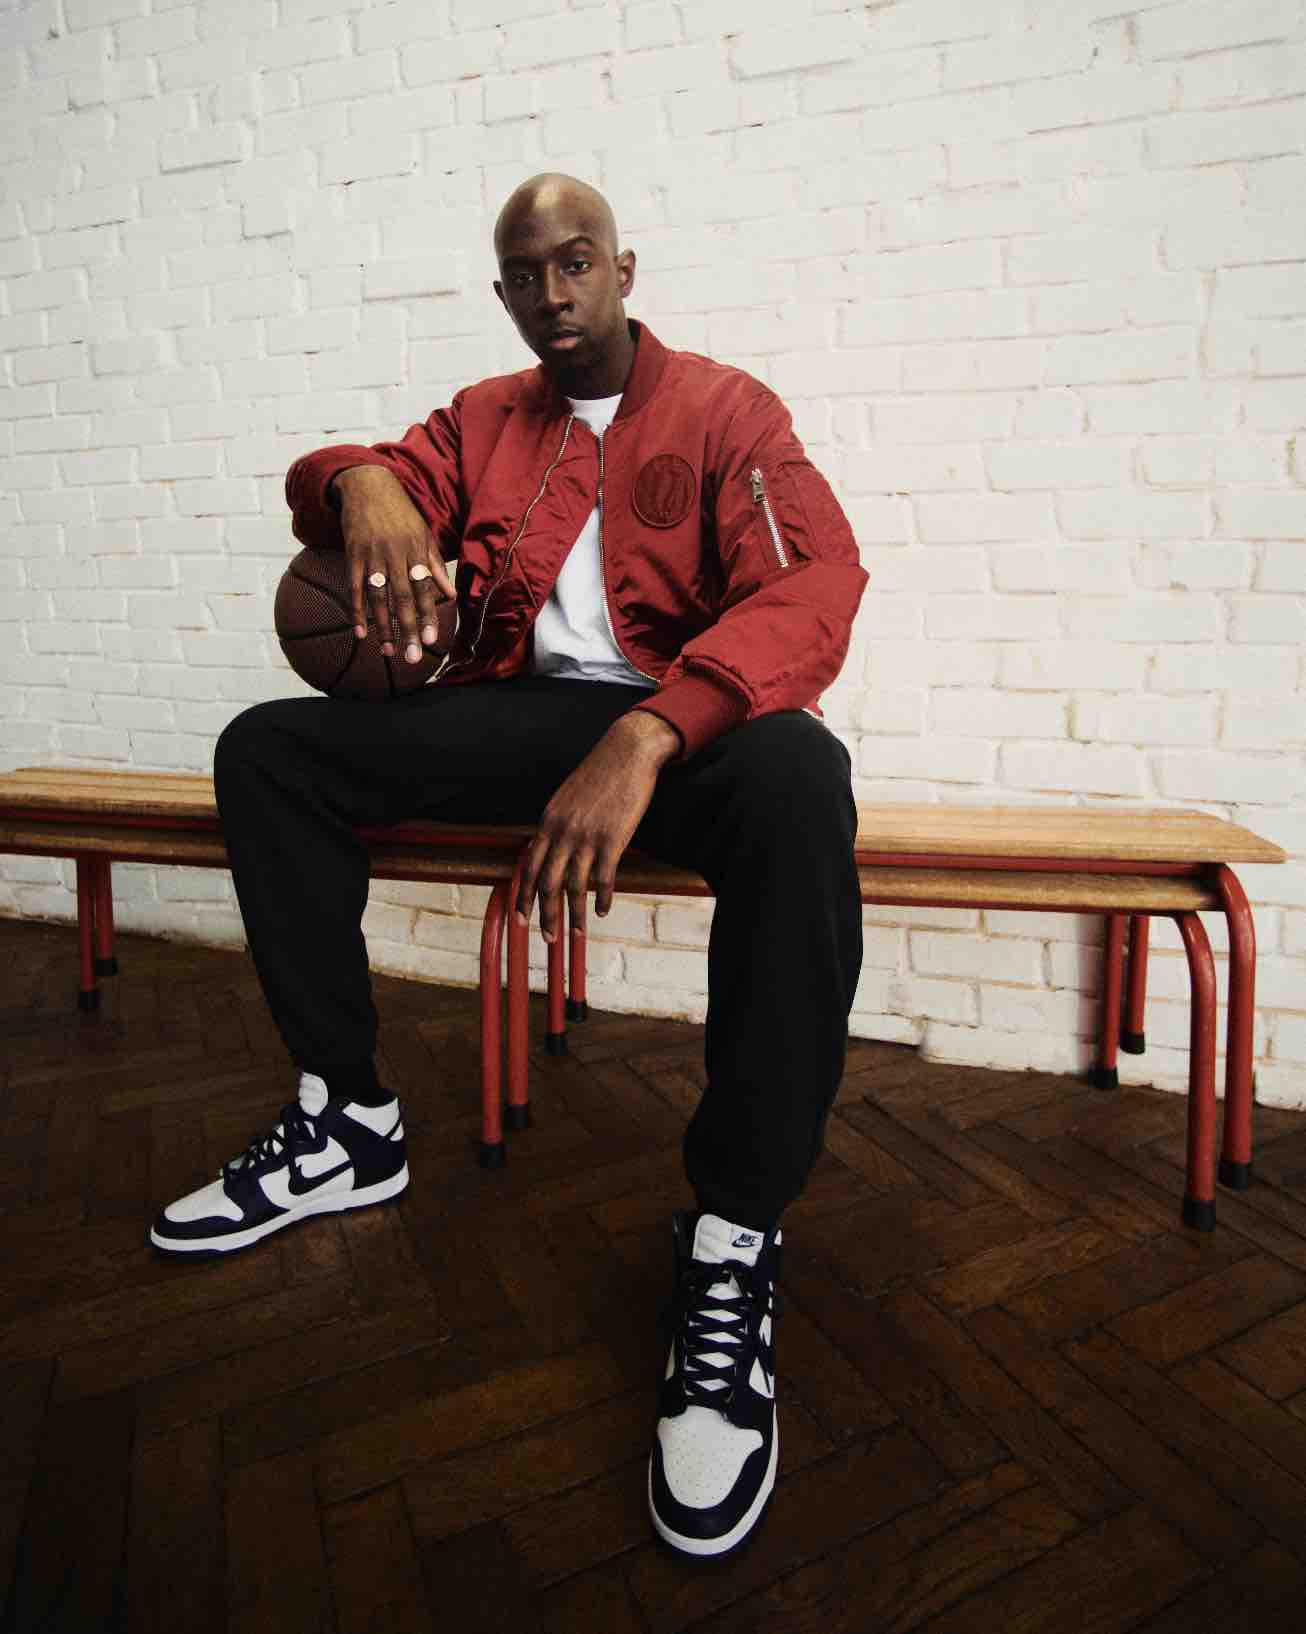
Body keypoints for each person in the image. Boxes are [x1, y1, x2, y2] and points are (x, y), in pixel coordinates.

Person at [151, 174, 868, 1559]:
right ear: (504, 294)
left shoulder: (727, 412)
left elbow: (814, 587)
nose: (554, 293)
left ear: (624, 270)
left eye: (577, 263)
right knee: (269, 751)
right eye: (526, 275)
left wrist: (650, 732)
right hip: (517, 716)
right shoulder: (481, 419)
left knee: (800, 778)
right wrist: (362, 482)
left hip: (681, 722)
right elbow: (356, 474)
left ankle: (733, 1234)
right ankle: (348, 1119)